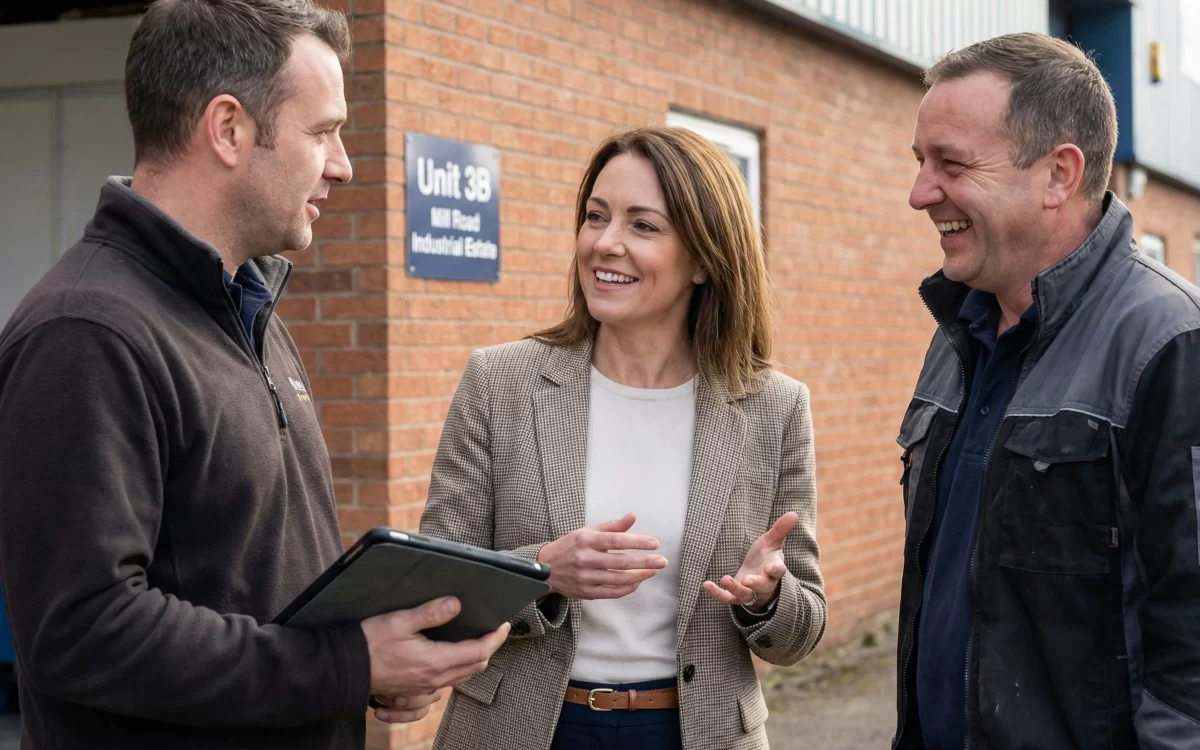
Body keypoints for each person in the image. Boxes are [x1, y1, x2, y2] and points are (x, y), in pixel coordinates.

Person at [0, 1, 507, 748]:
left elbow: (243, 581)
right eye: (324, 132)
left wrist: (370, 662)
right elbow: (83, 630)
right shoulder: (87, 333)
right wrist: (343, 663)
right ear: (229, 129)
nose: (344, 164)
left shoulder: (247, 306)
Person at [418, 126, 827, 750]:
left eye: (643, 226)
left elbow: (800, 635)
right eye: (595, 217)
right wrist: (539, 572)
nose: (605, 244)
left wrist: (766, 597)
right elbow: (435, 587)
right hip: (520, 729)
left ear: (705, 258)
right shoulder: (501, 382)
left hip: (699, 732)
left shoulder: (773, 406)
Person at [895, 31, 1200, 749]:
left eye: (951, 164)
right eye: (919, 163)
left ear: (1059, 174)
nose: (918, 193)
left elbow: (1192, 652)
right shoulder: (955, 338)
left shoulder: (1169, 344)